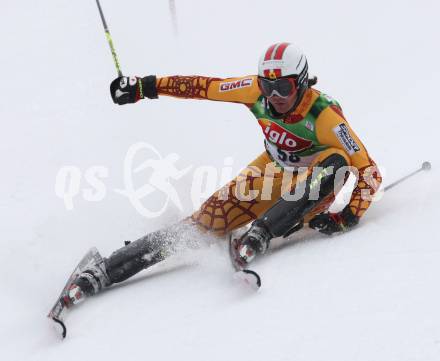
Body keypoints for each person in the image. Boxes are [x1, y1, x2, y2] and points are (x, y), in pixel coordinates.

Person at [66, 42, 382, 304]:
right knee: (201, 224)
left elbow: (369, 172)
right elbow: (203, 88)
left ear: (301, 82)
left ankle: (262, 232)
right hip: (272, 172)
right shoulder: (252, 91)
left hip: (311, 188)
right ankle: (106, 270)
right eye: (267, 86)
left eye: (283, 87)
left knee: (339, 160)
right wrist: (143, 87)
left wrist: (347, 217)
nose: (274, 96)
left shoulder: (325, 117)